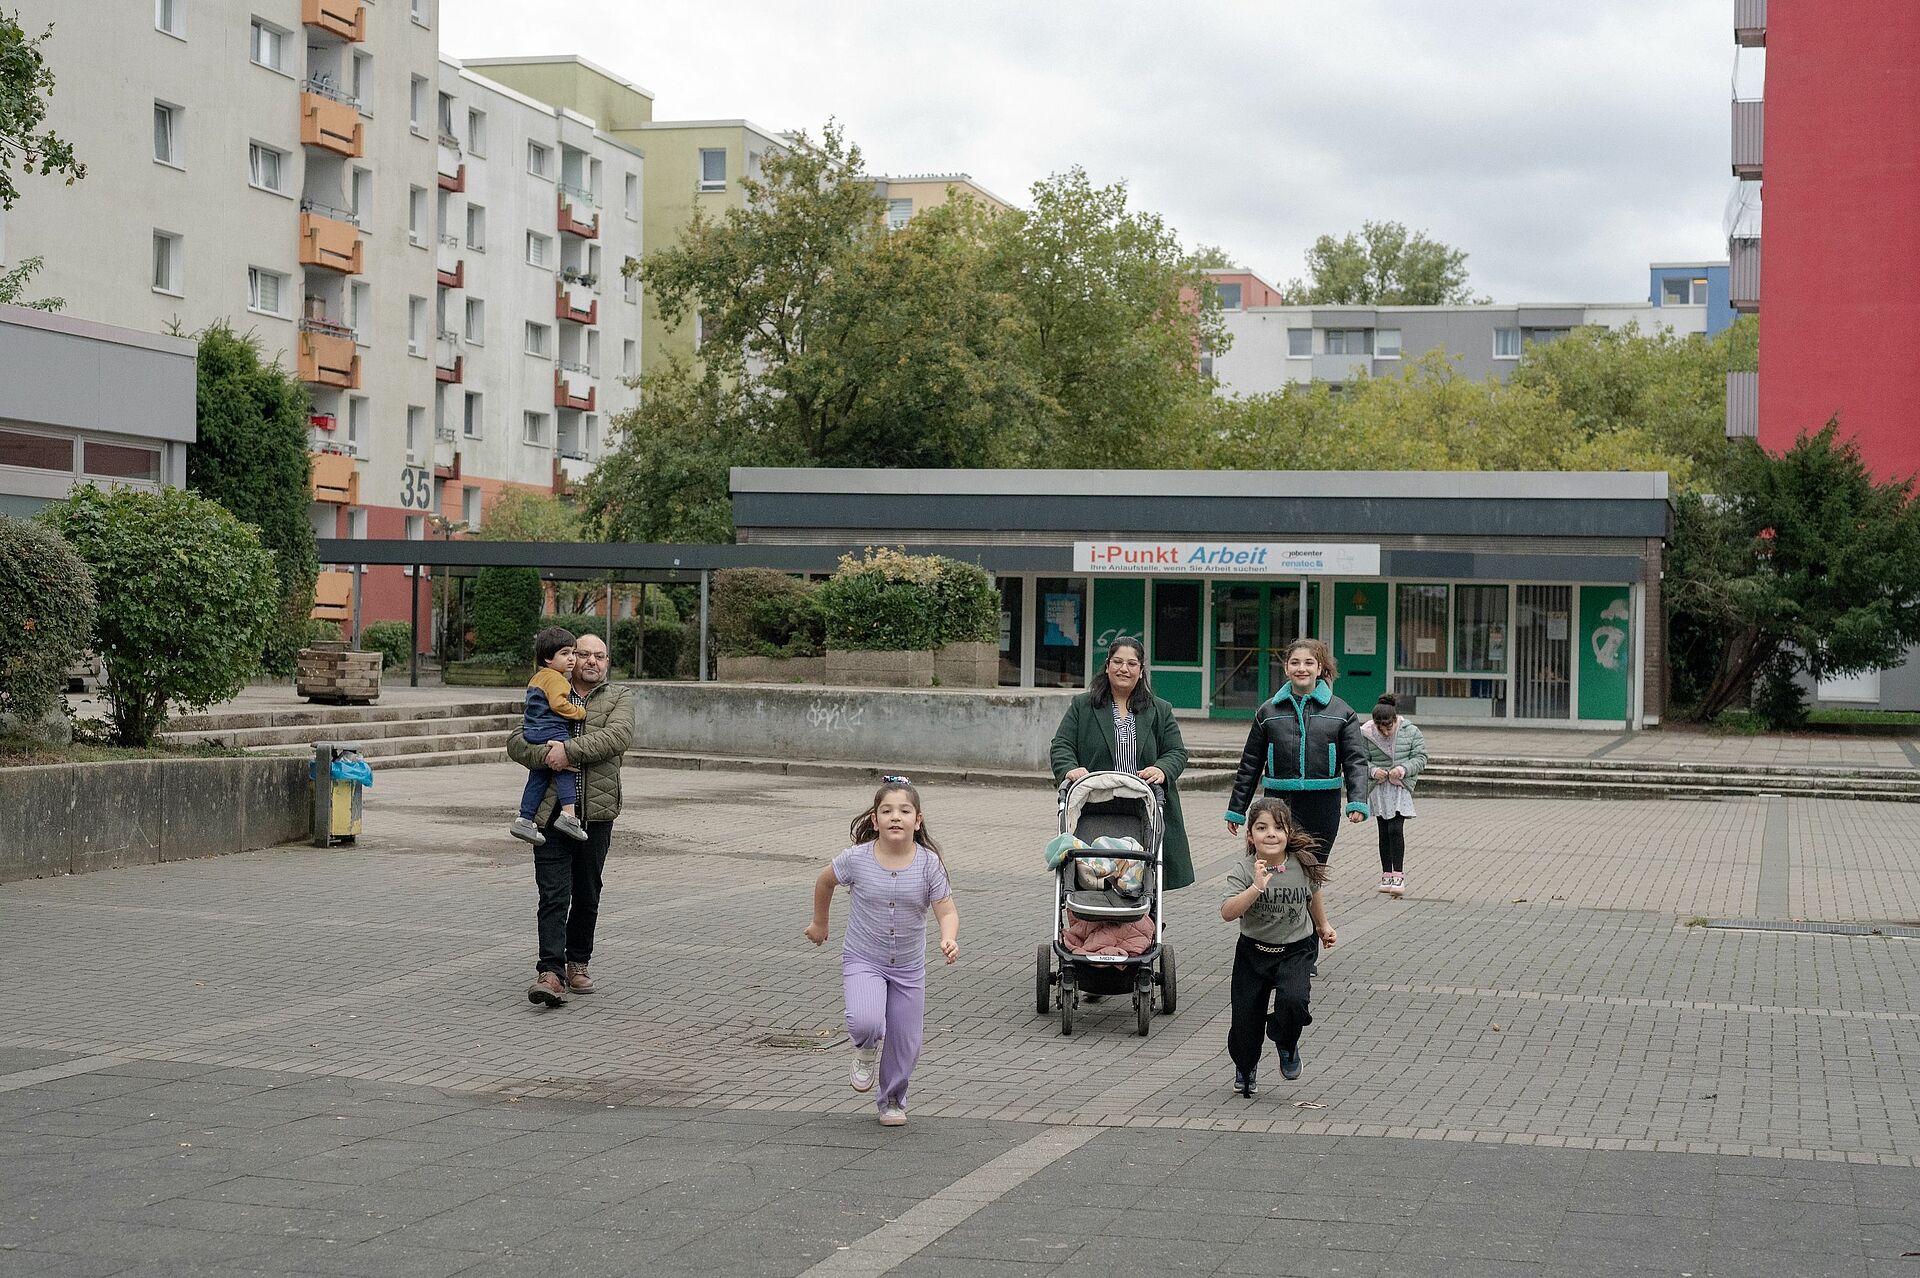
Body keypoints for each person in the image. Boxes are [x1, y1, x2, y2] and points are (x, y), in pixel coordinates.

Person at [804, 777, 959, 1128]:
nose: (895, 817)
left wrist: (948, 938)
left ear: (917, 820)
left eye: (904, 811)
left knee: (907, 1042)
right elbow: (825, 881)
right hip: (864, 959)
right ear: (874, 820)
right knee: (867, 1021)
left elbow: (946, 911)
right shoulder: (856, 859)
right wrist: (819, 924)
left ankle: (892, 1099)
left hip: (908, 967)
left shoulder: (928, 864)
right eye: (886, 810)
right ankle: (864, 1048)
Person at [505, 633, 635, 1007]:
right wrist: (548, 755)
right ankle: (550, 971)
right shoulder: (548, 687)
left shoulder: (618, 698)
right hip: (549, 814)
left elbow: (617, 737)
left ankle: (578, 961)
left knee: (587, 891)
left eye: (600, 656)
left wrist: (568, 752)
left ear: (607, 662)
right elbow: (517, 740)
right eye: (584, 654)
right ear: (570, 658)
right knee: (553, 893)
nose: (592, 661)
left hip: (595, 813)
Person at [1049, 636, 1194, 890]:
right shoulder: (1083, 706)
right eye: (1117, 662)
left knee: (1145, 876)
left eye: (1131, 663)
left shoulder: (1159, 710)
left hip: (1144, 807)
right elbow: (1061, 745)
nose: (1123, 669)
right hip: (1095, 805)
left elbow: (1176, 751)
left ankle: (1144, 923)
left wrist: (1162, 769)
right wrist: (1069, 768)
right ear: (1107, 666)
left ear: (1141, 671)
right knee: (1091, 876)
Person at [1219, 798, 1335, 1097]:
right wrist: (1256, 887)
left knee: (1294, 1002)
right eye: (1261, 828)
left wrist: (1323, 927)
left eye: (1278, 827)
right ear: (1250, 836)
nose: (1270, 834)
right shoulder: (1244, 870)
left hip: (1296, 949)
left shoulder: (1304, 864)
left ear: (1288, 833)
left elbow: (1314, 895)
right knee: (1246, 1021)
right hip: (1253, 953)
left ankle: (1285, 1041)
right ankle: (1245, 1067)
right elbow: (1228, 912)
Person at [1224, 638, 1368, 864]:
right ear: (1286, 668)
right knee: (1277, 865)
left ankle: (1310, 900)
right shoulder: (1267, 711)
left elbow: (1355, 761)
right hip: (1279, 801)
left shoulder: (1342, 712)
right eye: (1295, 663)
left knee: (1313, 868)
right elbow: (1250, 763)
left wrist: (1357, 800)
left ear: (1320, 668)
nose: (1302, 669)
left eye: (1309, 663)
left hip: (1323, 803)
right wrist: (1237, 809)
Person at [509, 627, 589, 847]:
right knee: (565, 767)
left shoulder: (538, 677)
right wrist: (579, 712)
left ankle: (525, 818)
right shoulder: (557, 679)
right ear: (547, 658)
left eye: (573, 652)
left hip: (533, 731)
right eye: (565, 654)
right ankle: (569, 816)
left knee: (538, 778)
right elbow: (558, 704)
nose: (572, 658)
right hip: (552, 729)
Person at [1360, 692, 1427, 897]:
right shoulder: (1365, 733)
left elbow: (1420, 757)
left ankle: (1398, 874)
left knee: (1396, 829)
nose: (1385, 731)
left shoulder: (1410, 731)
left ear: (1395, 720)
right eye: (1380, 727)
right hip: (1379, 787)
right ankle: (1386, 874)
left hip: (1399, 787)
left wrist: (1403, 769)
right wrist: (1373, 771)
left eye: (1388, 726)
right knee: (1383, 831)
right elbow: (1360, 760)